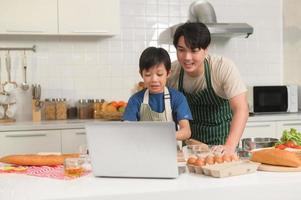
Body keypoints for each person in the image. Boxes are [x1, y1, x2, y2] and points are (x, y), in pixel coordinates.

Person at [167, 22, 249, 154]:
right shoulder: (173, 72)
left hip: (221, 146)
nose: (187, 58)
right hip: (189, 148)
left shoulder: (222, 67)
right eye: (181, 50)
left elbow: (241, 109)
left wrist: (229, 147)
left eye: (194, 50)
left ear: (205, 49)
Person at [122, 47, 192, 141]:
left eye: (159, 74)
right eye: (148, 75)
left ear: (168, 73)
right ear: (141, 74)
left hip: (169, 148)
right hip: (143, 149)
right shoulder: (135, 100)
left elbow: (186, 131)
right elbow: (126, 129)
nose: (154, 80)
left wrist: (162, 137)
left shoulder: (177, 98)